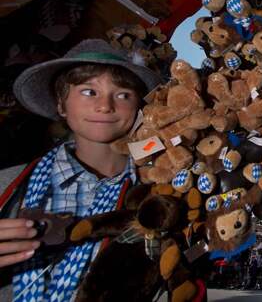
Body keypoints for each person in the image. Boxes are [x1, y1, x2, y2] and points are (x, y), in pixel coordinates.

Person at [0, 39, 161, 301]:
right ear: (61, 104)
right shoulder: (6, 186)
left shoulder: (157, 194)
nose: (105, 106)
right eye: (89, 91)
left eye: (123, 94)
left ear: (139, 108)